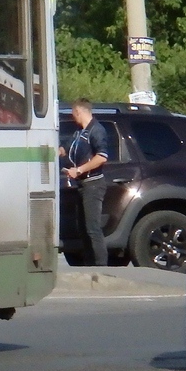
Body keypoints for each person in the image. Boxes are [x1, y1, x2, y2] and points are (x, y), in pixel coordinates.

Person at [60, 98, 111, 266]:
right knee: (82, 228)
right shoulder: (79, 132)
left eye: (73, 114)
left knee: (93, 228)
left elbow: (101, 157)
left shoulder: (97, 130)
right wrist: (58, 151)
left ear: (78, 112)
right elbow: (67, 148)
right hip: (81, 185)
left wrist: (79, 170)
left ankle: (101, 266)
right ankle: (89, 264)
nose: (72, 117)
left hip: (93, 184)